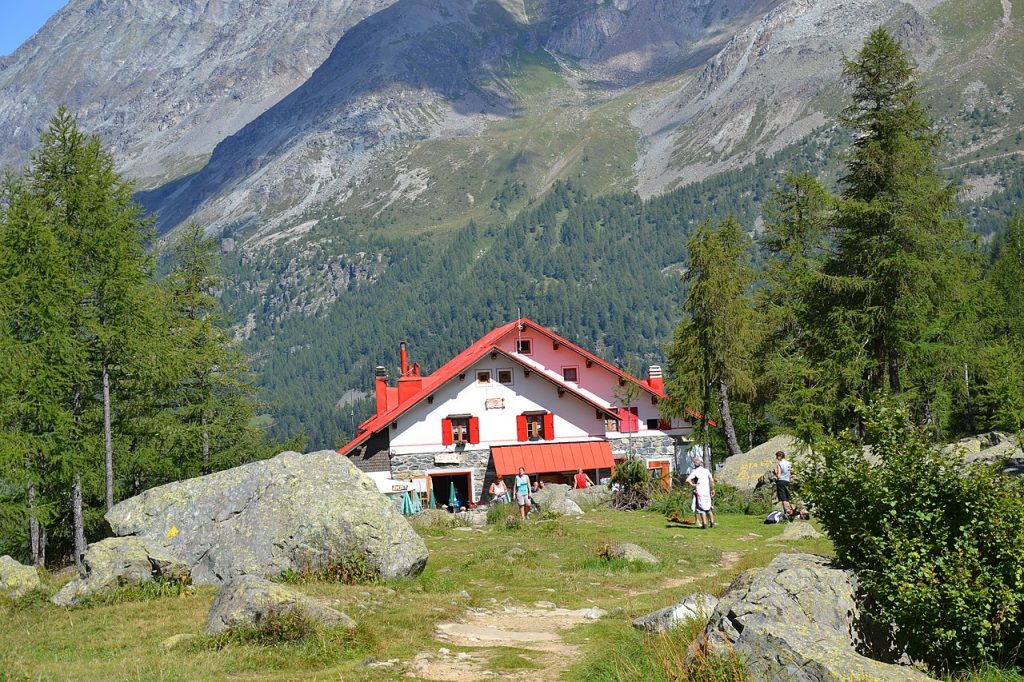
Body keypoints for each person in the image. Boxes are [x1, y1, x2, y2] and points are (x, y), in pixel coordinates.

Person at [688, 457, 715, 529]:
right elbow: (712, 481)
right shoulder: (706, 471)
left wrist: (693, 485)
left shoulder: (695, 471)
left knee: (701, 508)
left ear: (694, 464)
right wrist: (712, 489)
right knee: (708, 507)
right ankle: (712, 522)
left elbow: (687, 480)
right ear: (701, 463)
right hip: (707, 491)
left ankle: (704, 524)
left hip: (699, 492)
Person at [775, 450, 794, 517]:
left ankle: (787, 513)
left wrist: (776, 474)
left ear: (780, 456)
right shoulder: (789, 463)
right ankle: (794, 511)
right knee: (789, 498)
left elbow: (779, 475)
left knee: (784, 499)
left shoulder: (779, 464)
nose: (776, 458)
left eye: (777, 456)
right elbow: (792, 473)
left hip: (781, 481)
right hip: (787, 481)